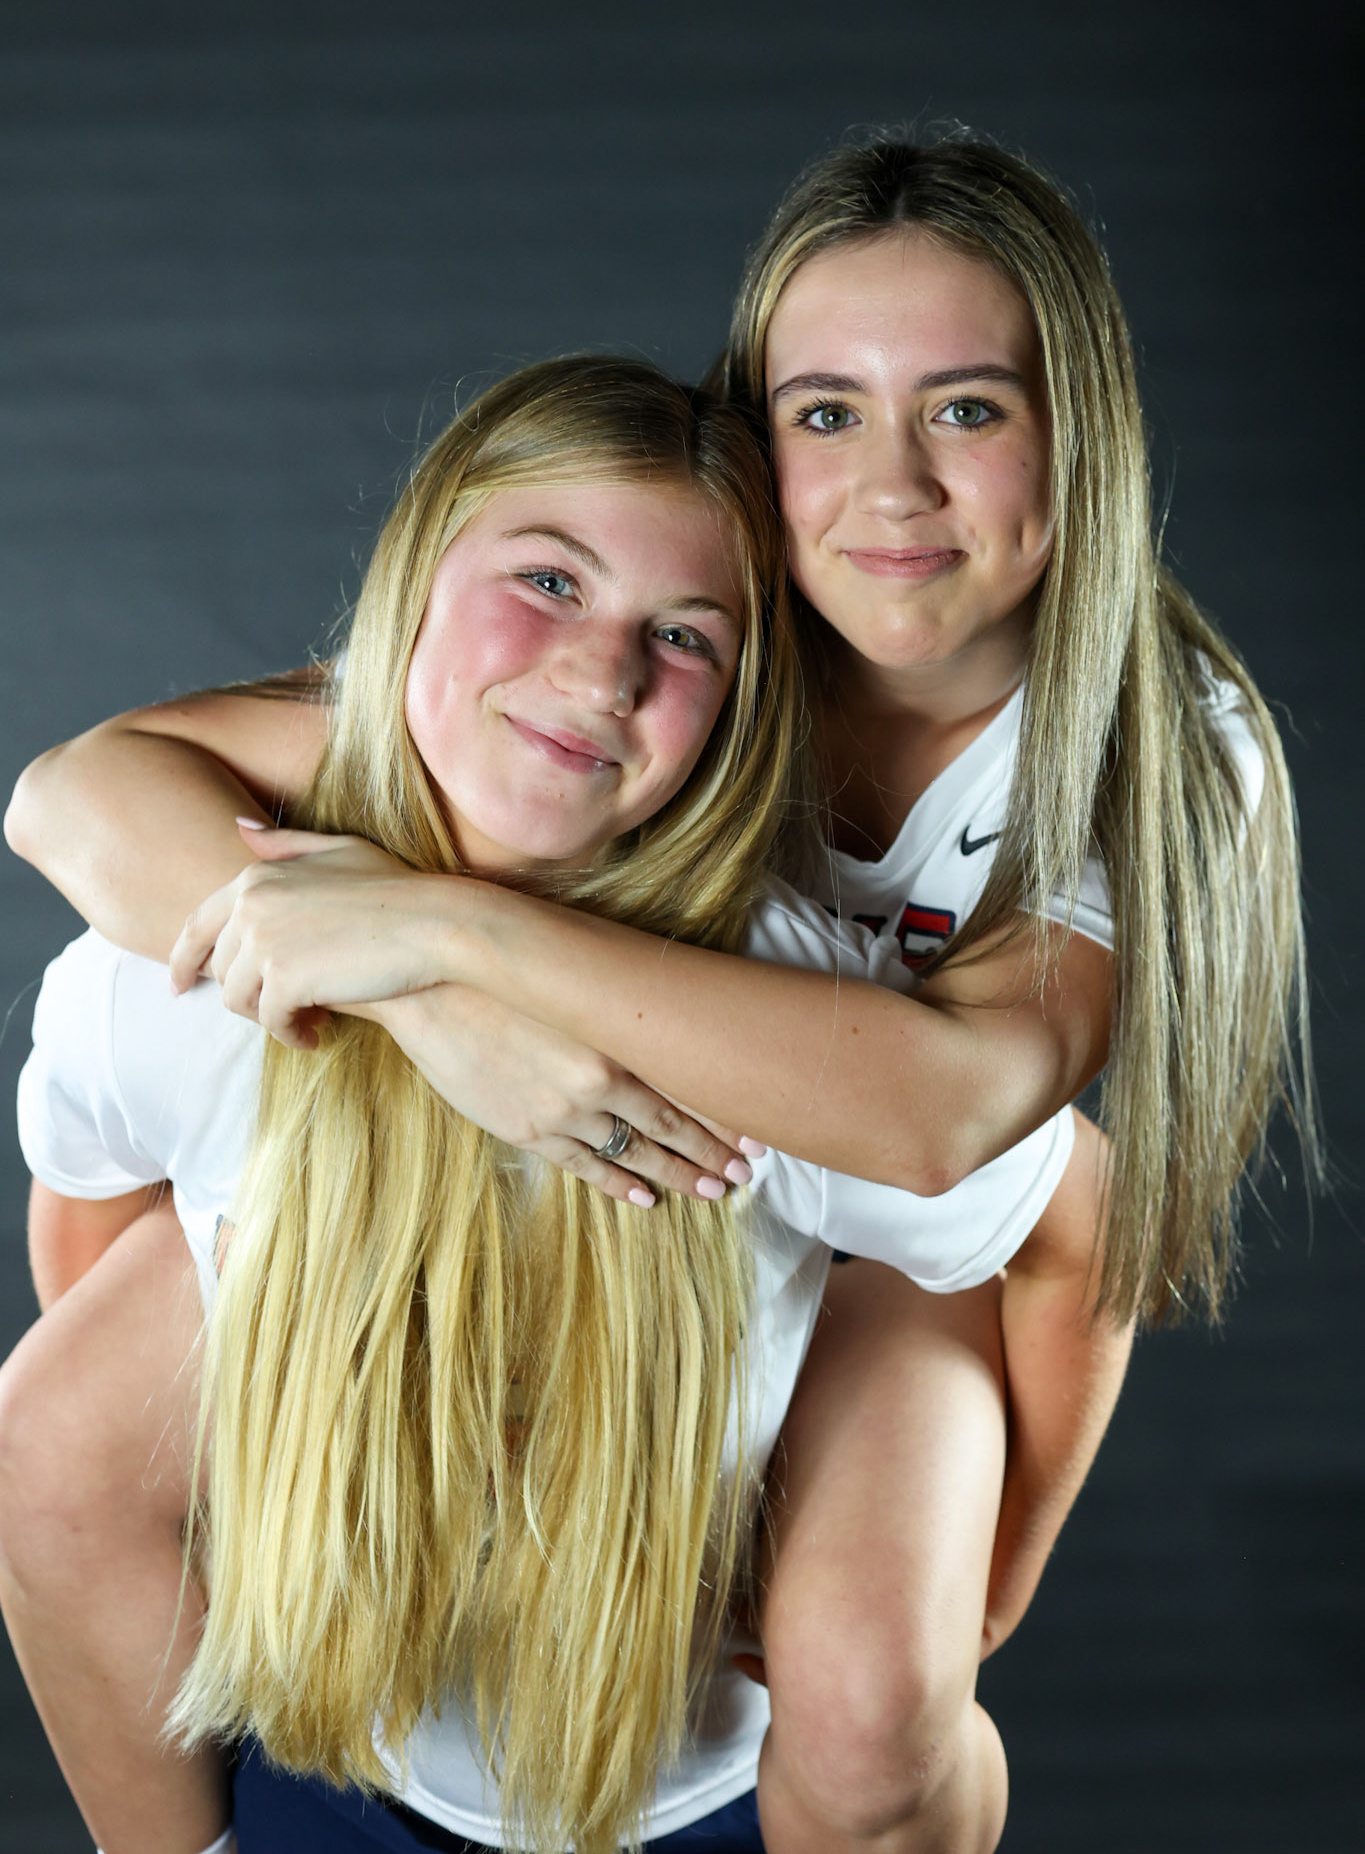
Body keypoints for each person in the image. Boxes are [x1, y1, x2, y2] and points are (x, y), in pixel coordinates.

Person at [2, 133, 1311, 1854]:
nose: (893, 486)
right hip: (543, 1145)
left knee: (867, 1704)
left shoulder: (1145, 740)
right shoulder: (666, 609)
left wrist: (459, 948)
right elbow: (83, 790)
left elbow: (966, 1135)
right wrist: (434, 1016)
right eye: (827, 411)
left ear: (1081, 435)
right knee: (57, 1450)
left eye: (968, 409)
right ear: (757, 437)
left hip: (864, 1197)